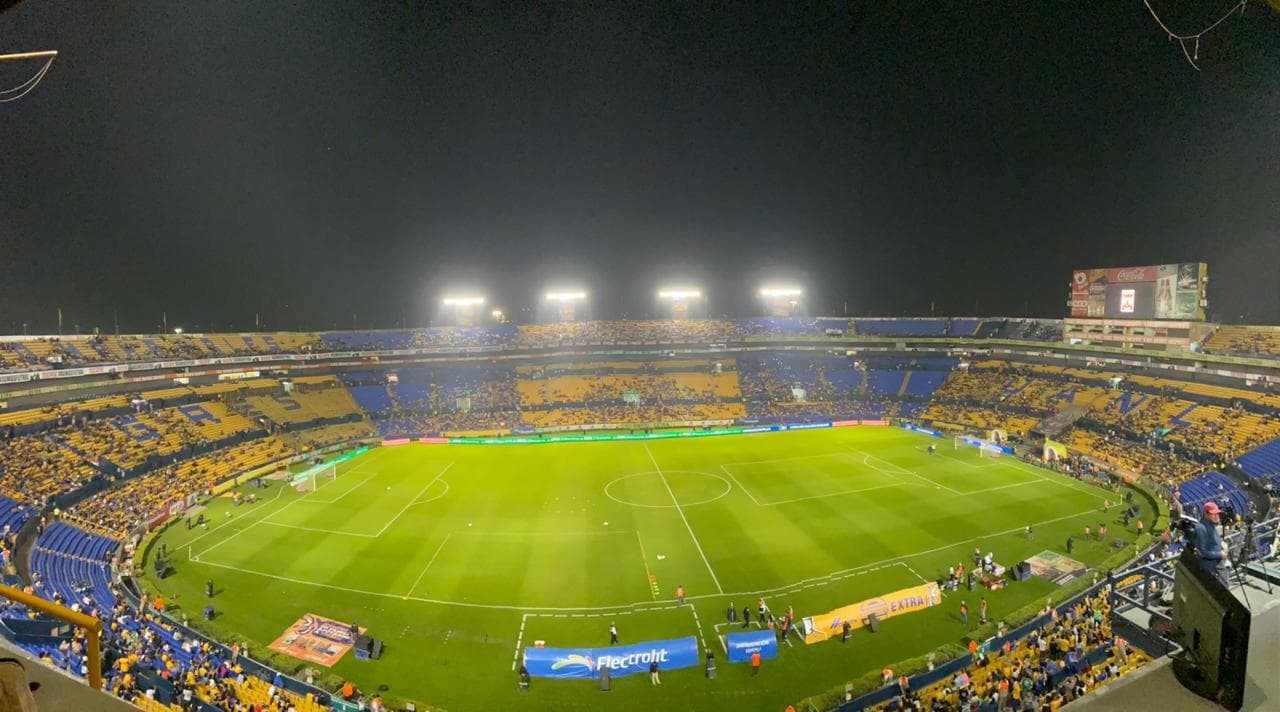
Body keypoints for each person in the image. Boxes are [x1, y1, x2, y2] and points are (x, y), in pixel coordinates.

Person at [1193, 502, 1228, 582]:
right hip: (1209, 569)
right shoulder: (1201, 528)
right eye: (1213, 514)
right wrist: (1220, 554)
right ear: (1206, 514)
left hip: (1217, 565)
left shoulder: (1211, 524)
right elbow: (1203, 552)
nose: (1216, 516)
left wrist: (1221, 543)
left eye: (1217, 514)